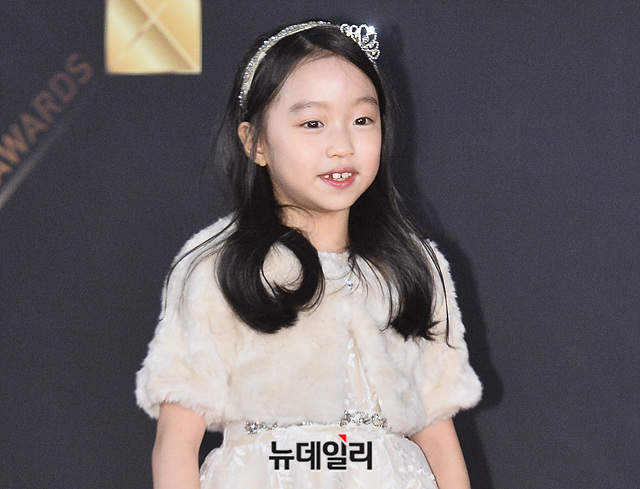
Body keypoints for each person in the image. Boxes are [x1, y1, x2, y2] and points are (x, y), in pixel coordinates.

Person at [136, 20, 482, 489]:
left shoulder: (412, 265)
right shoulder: (220, 266)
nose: (342, 146)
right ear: (255, 142)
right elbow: (175, 443)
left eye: (362, 120)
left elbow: (439, 436)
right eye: (313, 124)